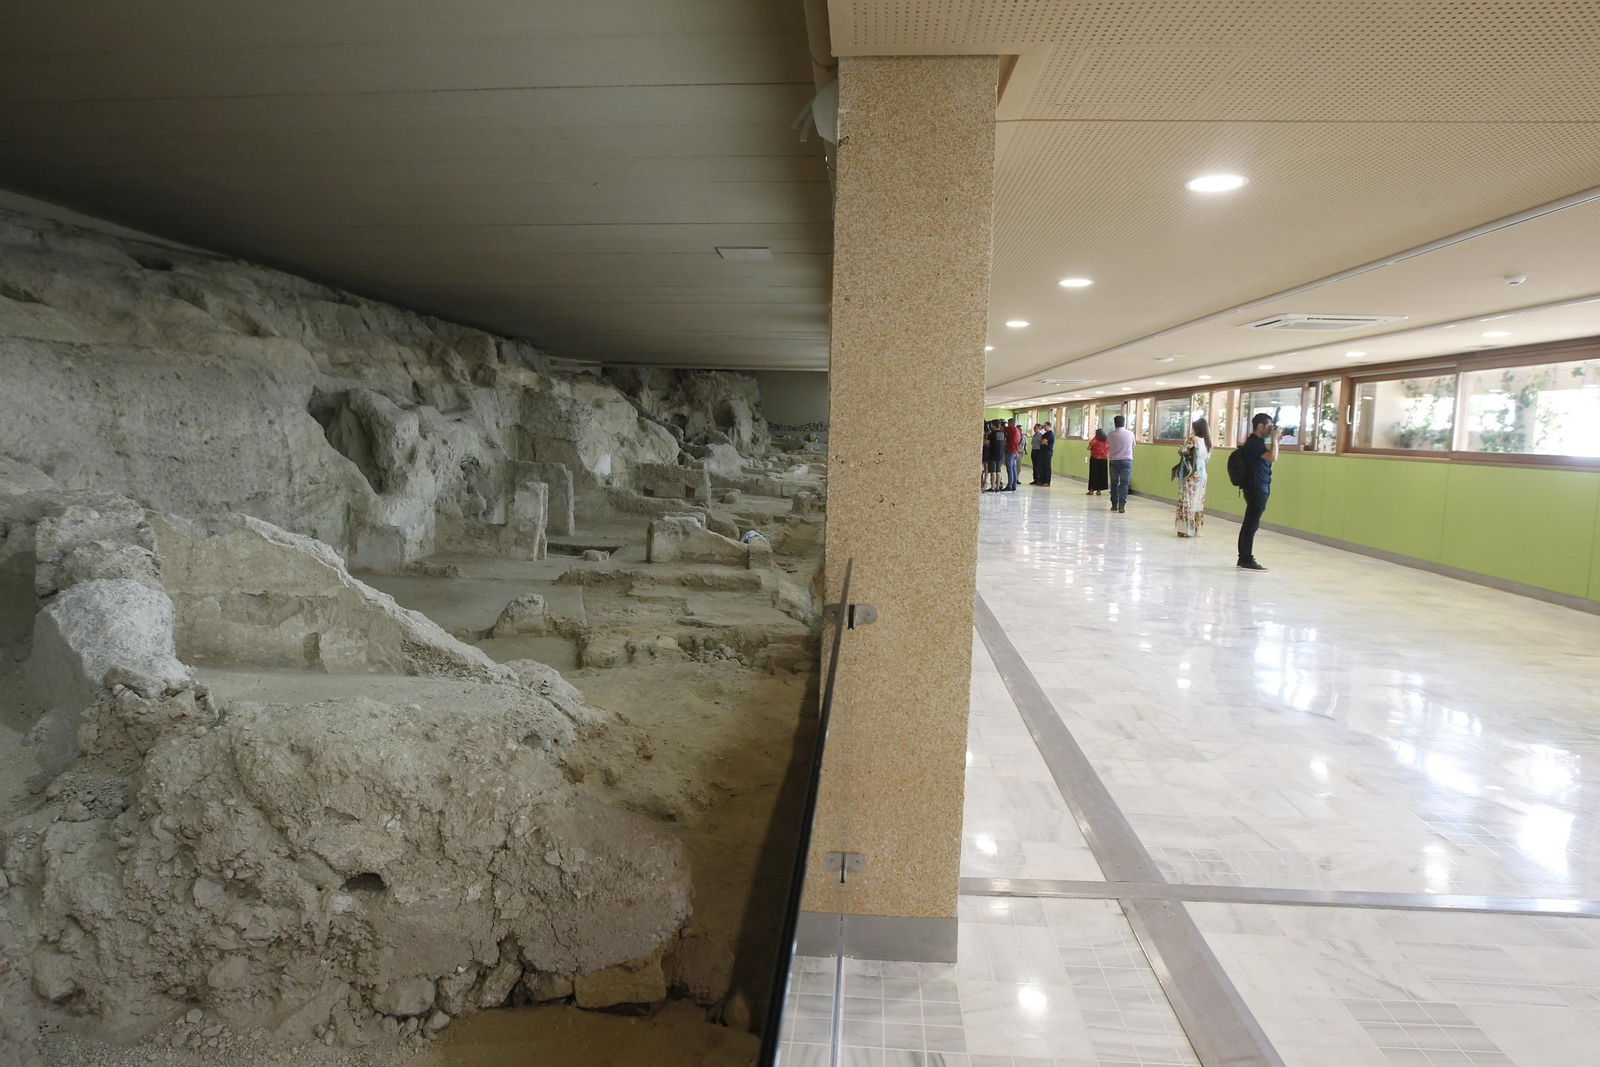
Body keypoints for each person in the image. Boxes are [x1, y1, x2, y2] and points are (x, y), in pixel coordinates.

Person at [1237, 412, 1281, 571]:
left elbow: (1270, 462)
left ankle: (1245, 557)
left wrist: (1276, 442)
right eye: (1269, 426)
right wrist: (1275, 439)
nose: (1271, 430)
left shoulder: (1258, 443)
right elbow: (1273, 458)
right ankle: (1246, 558)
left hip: (1259, 486)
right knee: (1250, 524)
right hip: (1256, 488)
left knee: (1252, 523)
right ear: (1260, 426)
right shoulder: (1254, 444)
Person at [1175, 417, 1212, 538]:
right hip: (1202, 473)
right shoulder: (1208, 442)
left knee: (1186, 500)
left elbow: (1184, 451)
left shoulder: (1193, 439)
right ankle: (1197, 529)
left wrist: (1181, 451)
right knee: (1198, 502)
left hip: (1191, 472)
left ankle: (1185, 529)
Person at [1106, 415, 1135, 513]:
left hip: (1114, 461)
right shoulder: (1130, 434)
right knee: (1124, 483)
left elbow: (1107, 446)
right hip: (1126, 461)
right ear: (1124, 422)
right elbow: (1133, 445)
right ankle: (1122, 505)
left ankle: (1114, 504)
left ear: (1115, 423)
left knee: (1114, 483)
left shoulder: (1110, 435)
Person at [984, 420, 1007, 492]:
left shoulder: (992, 434)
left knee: (993, 471)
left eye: (991, 425)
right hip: (1001, 454)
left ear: (993, 425)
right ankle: (998, 486)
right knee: (998, 471)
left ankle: (993, 487)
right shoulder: (1003, 433)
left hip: (993, 453)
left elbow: (986, 442)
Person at [1030, 422, 1055, 486]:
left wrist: (1043, 441)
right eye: (1044, 426)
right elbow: (1041, 441)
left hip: (1047, 452)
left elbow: (1042, 442)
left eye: (1045, 426)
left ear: (1049, 426)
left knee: (1046, 467)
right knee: (1041, 466)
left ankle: (1047, 481)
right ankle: (1041, 480)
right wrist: (1042, 441)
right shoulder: (1045, 434)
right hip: (1042, 451)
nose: (1044, 427)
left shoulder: (1050, 434)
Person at [1087, 429, 1109, 495]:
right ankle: (1099, 490)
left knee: (1093, 474)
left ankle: (1091, 490)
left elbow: (1088, 447)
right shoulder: (1106, 440)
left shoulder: (1095, 439)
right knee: (1102, 474)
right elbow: (1109, 448)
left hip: (1095, 459)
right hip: (1104, 459)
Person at [1003, 418, 1022, 491]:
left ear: (1010, 423)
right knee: (1014, 469)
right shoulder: (1017, 430)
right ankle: (1013, 484)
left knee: (1010, 469)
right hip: (1015, 452)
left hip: (1010, 452)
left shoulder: (1012, 429)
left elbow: (1002, 428)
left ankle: (1009, 485)